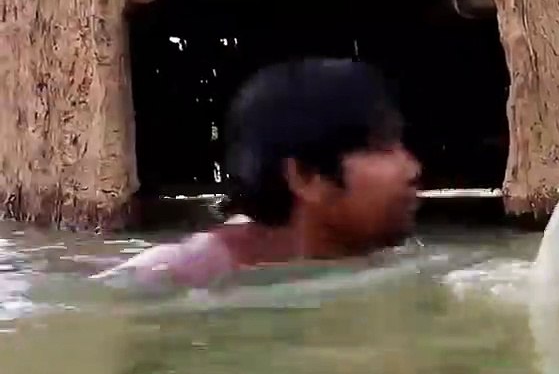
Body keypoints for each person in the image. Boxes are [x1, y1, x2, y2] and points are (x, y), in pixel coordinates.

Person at [95, 57, 422, 289]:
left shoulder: (368, 261)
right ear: (305, 176)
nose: (412, 169)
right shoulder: (177, 275)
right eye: (381, 148)